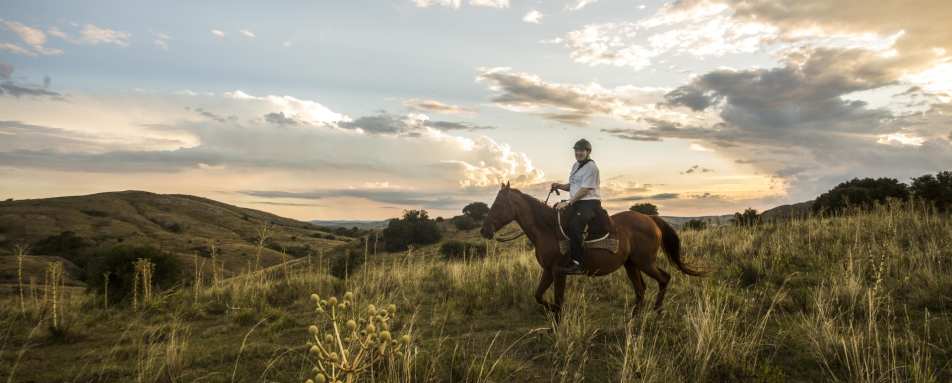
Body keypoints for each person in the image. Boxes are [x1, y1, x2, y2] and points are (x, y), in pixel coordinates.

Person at [550, 138, 601, 274]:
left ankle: (579, 263)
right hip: (577, 201)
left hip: (589, 203)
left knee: (574, 227)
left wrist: (568, 203)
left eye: (581, 151)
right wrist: (559, 186)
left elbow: (584, 189)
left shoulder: (592, 168)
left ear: (588, 151)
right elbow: (573, 186)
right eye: (576, 150)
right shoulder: (575, 165)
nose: (578, 153)